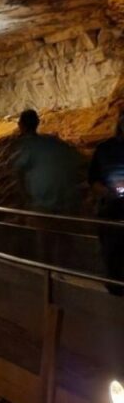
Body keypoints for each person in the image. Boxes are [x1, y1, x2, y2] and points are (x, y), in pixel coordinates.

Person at [13, 109, 84, 263]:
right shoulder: (54, 142)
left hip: (44, 200)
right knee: (64, 237)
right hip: (67, 198)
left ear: (21, 125)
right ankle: (63, 271)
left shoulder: (28, 145)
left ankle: (48, 276)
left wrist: (26, 199)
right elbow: (77, 162)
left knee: (45, 240)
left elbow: (17, 171)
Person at [88, 111, 124, 295]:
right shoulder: (104, 149)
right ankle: (115, 290)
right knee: (112, 252)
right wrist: (105, 191)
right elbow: (93, 178)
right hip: (110, 207)